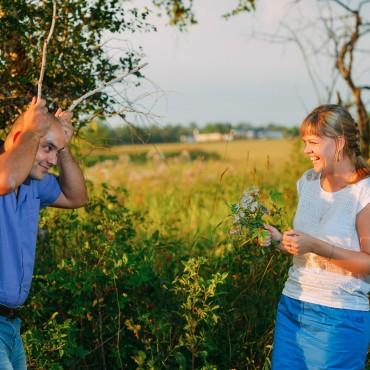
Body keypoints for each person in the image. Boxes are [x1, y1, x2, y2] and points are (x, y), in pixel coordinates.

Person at [262, 104, 370, 369]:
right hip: (293, 306)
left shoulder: (364, 192)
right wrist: (279, 240)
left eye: (313, 142)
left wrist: (317, 246)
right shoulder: (307, 182)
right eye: (305, 142)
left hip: (339, 317)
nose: (306, 150)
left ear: (339, 142)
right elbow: (306, 247)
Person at [0, 97, 88, 369]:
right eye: (47, 148)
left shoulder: (33, 185)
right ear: (21, 137)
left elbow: (77, 197)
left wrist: (62, 147)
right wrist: (34, 129)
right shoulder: (7, 173)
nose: (52, 160)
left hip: (10, 326)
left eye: (55, 152)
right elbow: (7, 180)